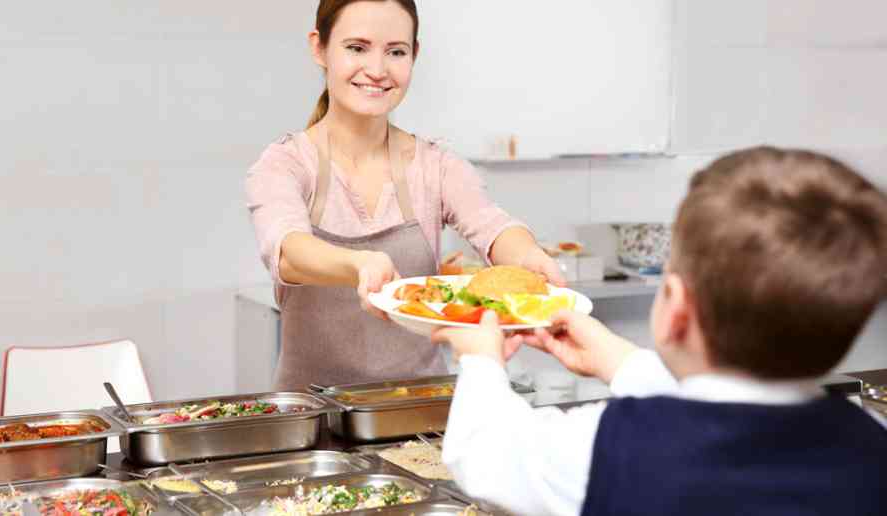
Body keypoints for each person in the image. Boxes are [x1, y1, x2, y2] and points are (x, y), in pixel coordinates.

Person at [433, 147, 887, 516]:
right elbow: (729, 408)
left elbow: (485, 457)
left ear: (674, 306)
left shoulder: (607, 447)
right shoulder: (871, 442)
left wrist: (479, 359)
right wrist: (621, 362)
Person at [245, 0, 562, 391]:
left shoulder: (436, 165)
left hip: (418, 412)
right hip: (314, 419)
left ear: (415, 55)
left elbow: (492, 226)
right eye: (357, 48)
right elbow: (288, 251)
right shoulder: (285, 164)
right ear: (319, 48)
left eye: (396, 51)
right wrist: (357, 264)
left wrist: (528, 256)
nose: (377, 70)